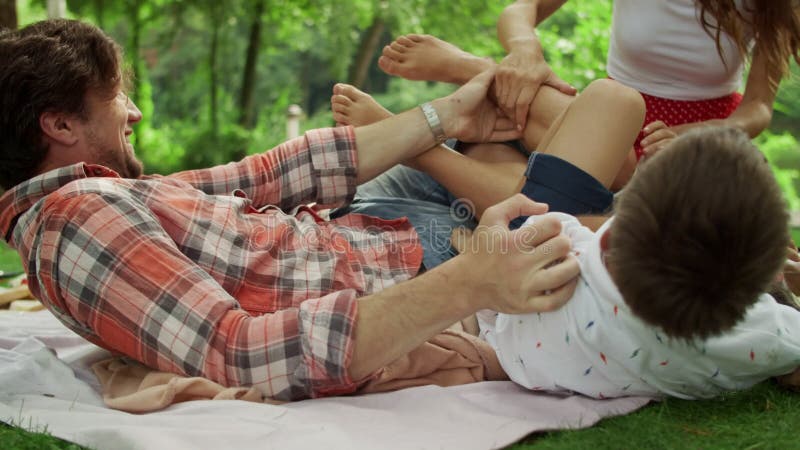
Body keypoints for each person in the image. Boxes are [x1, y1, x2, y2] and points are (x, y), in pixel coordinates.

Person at [0, 19, 581, 402]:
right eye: (116, 97)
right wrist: (466, 286)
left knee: (489, 140)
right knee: (577, 154)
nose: (135, 115)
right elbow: (241, 353)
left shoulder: (96, 195)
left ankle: (469, 93)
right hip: (410, 266)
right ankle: (497, 81)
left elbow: (260, 177)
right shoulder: (74, 224)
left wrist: (444, 115)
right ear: (60, 124)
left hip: (368, 225)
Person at [332, 82, 800, 399]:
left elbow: (501, 241)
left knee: (612, 100)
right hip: (509, 320)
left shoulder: (573, 249)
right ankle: (468, 123)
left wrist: (472, 244)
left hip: (471, 271)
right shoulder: (754, 339)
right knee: (502, 153)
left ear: (613, 238)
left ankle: (427, 137)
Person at [378, 0, 800, 186]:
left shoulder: (773, 4)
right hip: (610, 111)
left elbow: (758, 108)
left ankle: (476, 72)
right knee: (501, 159)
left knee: (617, 166)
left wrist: (704, 134)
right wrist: (525, 51)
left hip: (702, 135)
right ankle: (485, 73)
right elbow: (520, 10)